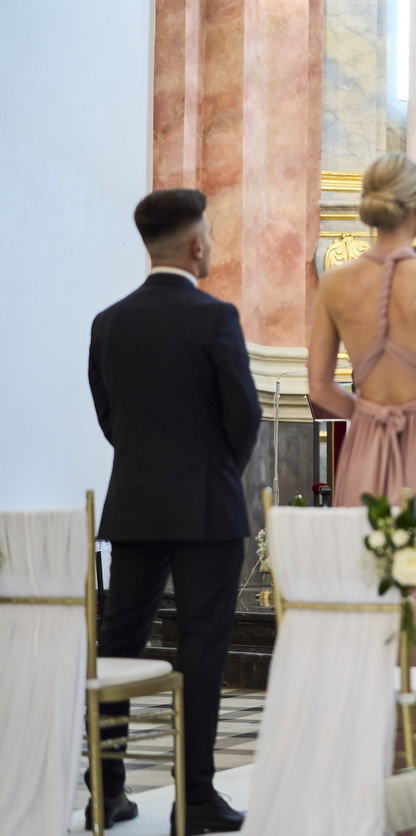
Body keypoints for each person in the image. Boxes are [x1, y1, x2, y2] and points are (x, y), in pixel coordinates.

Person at [307, 152, 416, 833]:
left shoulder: (334, 282)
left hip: (365, 450)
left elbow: (320, 390)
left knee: (368, 594)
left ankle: (367, 773)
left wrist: (370, 415)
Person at [87, 188, 261, 833]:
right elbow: (245, 414)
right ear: (195, 245)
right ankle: (195, 798)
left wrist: (147, 468)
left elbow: (110, 417)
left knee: (118, 647)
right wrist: (215, 473)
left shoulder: (109, 322)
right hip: (207, 510)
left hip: (134, 506)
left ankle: (106, 790)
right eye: (209, 234)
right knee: (202, 650)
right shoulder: (215, 318)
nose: (211, 244)